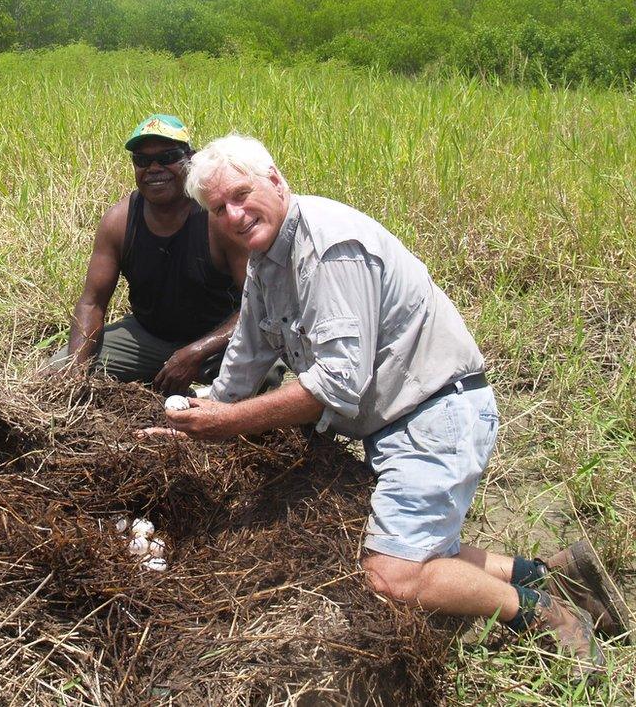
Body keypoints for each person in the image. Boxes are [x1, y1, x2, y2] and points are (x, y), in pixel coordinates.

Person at [154, 134, 629, 677]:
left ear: (276, 181)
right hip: (398, 424)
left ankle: (549, 615)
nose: (235, 214)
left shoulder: (328, 247)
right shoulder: (267, 262)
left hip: (434, 415)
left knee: (392, 574)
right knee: (401, 542)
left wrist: (229, 423)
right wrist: (196, 420)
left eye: (242, 194)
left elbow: (336, 385)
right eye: (220, 208)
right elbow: (246, 357)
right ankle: (550, 573)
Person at [51, 114, 283, 396]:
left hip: (217, 338)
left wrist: (195, 352)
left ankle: (204, 391)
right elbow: (91, 304)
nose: (154, 168)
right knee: (57, 371)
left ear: (190, 159)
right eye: (142, 160)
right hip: (149, 334)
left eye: (167, 156)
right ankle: (159, 383)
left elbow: (258, 304)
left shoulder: (218, 218)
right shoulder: (118, 221)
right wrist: (73, 376)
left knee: (265, 376)